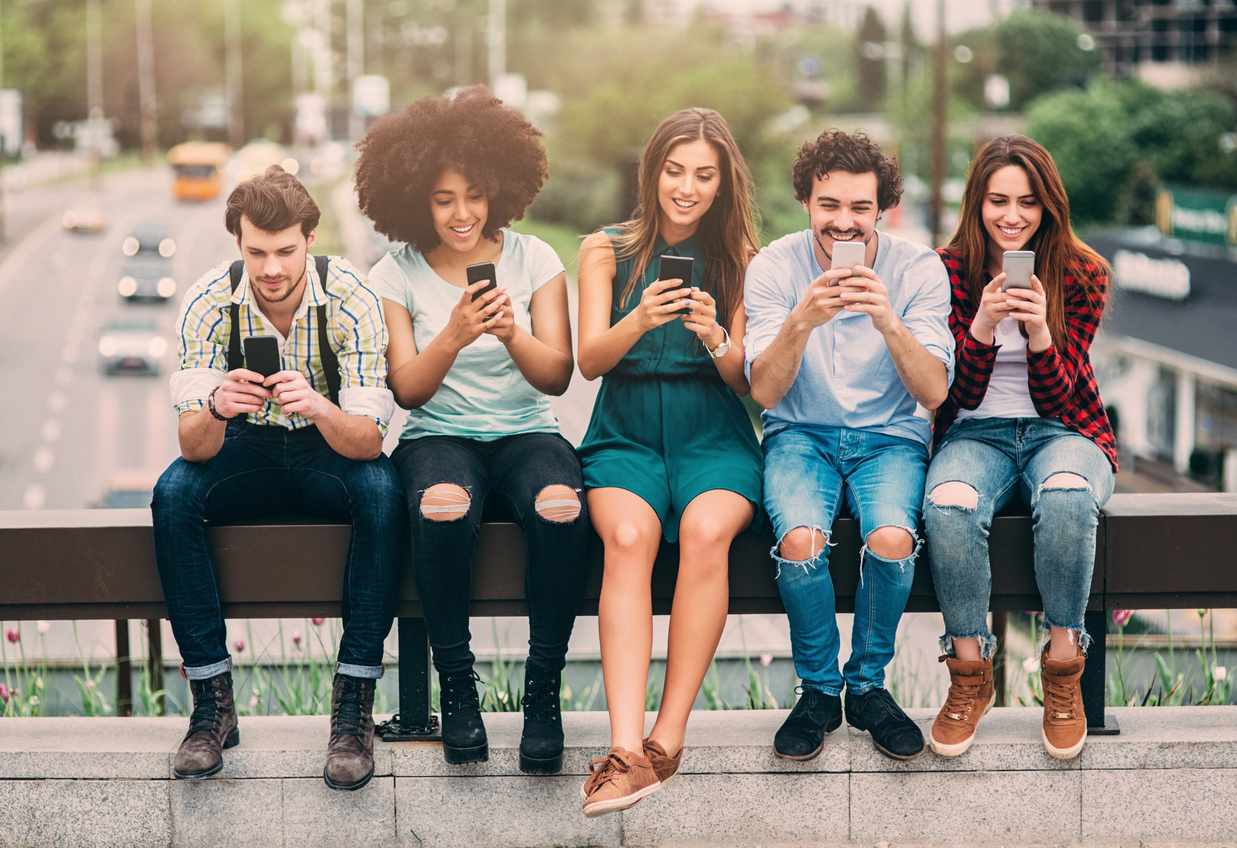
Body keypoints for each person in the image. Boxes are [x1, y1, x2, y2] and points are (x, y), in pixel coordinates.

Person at [354, 86, 591, 773]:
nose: (462, 214)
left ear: (500, 189)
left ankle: (540, 692)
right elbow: (406, 389)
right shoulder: (391, 273)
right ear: (414, 201)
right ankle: (456, 686)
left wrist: (510, 330)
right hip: (437, 437)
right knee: (441, 504)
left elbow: (556, 377)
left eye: (474, 195)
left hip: (526, 430)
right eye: (442, 199)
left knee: (560, 506)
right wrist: (453, 335)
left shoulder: (535, 259)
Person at [152, 165, 404, 791]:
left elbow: (370, 443)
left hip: (329, 447)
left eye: (285, 251)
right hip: (245, 447)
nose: (271, 268)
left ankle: (352, 710)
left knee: (383, 494)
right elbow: (191, 445)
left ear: (311, 240)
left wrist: (319, 404)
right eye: (256, 251)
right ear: (237, 242)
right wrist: (216, 406)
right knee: (172, 494)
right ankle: (212, 705)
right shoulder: (210, 301)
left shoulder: (349, 295)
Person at [575, 108, 764, 817]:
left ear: (722, 185)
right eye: (674, 171)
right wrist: (641, 317)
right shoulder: (605, 250)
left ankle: (665, 740)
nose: (686, 187)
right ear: (651, 173)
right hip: (622, 429)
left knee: (709, 532)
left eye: (703, 175)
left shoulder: (743, 257)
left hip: (710, 434)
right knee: (628, 539)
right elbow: (588, 361)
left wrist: (717, 335)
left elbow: (743, 381)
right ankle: (623, 749)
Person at [745, 129, 954, 762]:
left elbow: (935, 391)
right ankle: (818, 690)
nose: (844, 223)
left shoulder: (916, 268)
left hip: (889, 437)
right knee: (800, 543)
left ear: (882, 210)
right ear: (807, 202)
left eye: (860, 209)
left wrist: (888, 319)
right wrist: (801, 322)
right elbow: (765, 392)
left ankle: (866, 685)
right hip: (800, 433)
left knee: (892, 541)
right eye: (829, 205)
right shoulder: (776, 266)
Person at [924, 134, 1115, 761]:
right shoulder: (945, 271)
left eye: (1028, 203)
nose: (1012, 216)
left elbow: (1061, 401)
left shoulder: (1083, 273)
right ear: (977, 201)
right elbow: (954, 392)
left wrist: (1037, 332)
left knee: (1065, 496)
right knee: (948, 504)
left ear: (1048, 207)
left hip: (1066, 432)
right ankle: (970, 674)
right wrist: (980, 325)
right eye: (998, 200)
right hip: (973, 430)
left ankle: (1064, 669)